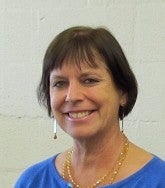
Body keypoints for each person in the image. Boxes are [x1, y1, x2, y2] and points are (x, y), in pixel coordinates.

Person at [15, 26, 165, 188]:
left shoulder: (159, 180)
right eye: (60, 83)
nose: (72, 96)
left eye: (89, 80)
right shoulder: (33, 181)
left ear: (123, 92)